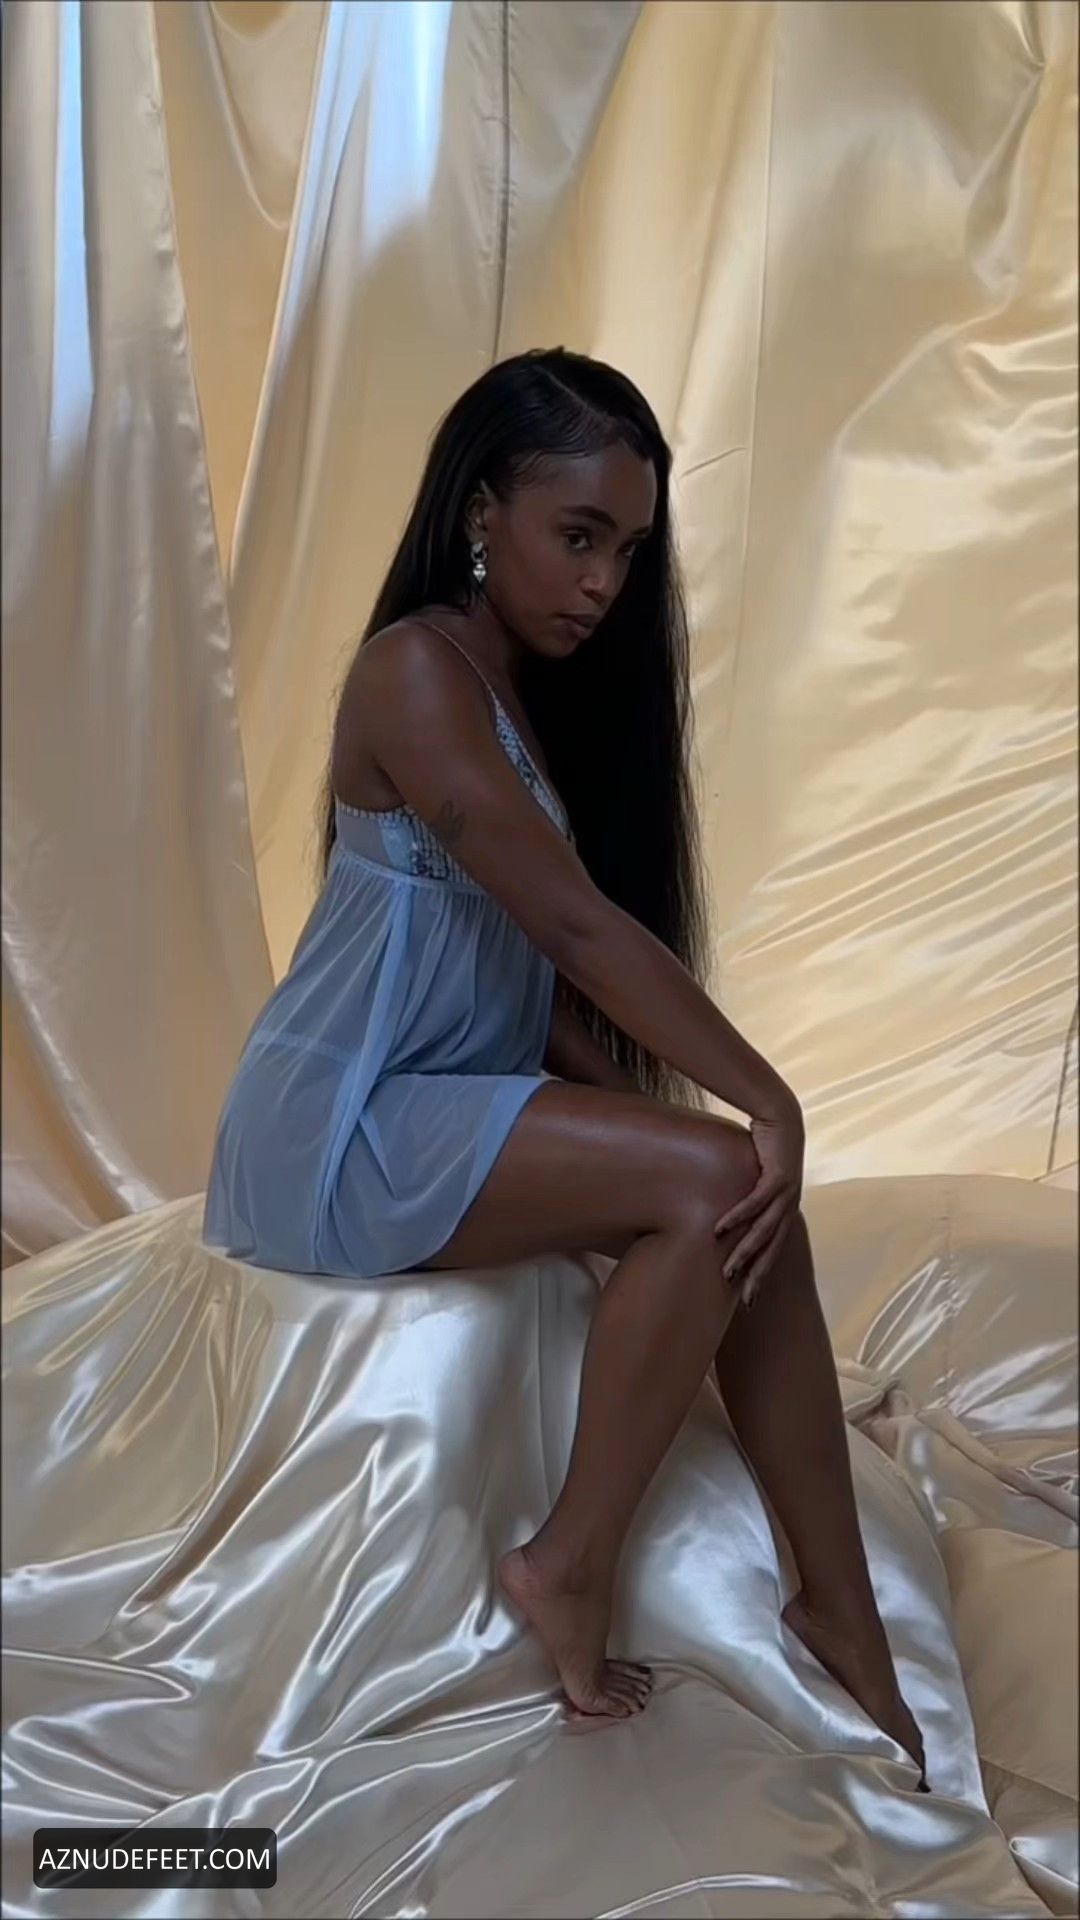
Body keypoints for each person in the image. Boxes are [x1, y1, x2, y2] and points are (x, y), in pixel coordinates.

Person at [203, 346, 928, 1787]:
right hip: (337, 1125)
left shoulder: (518, 690)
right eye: (577, 536)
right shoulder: (415, 671)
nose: (604, 584)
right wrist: (769, 1098)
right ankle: (569, 1565)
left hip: (434, 1105)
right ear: (483, 512)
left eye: (629, 551)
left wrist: (651, 1122)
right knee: (729, 1164)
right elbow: (571, 927)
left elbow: (507, 981)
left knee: (741, 1205)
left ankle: (838, 1608)